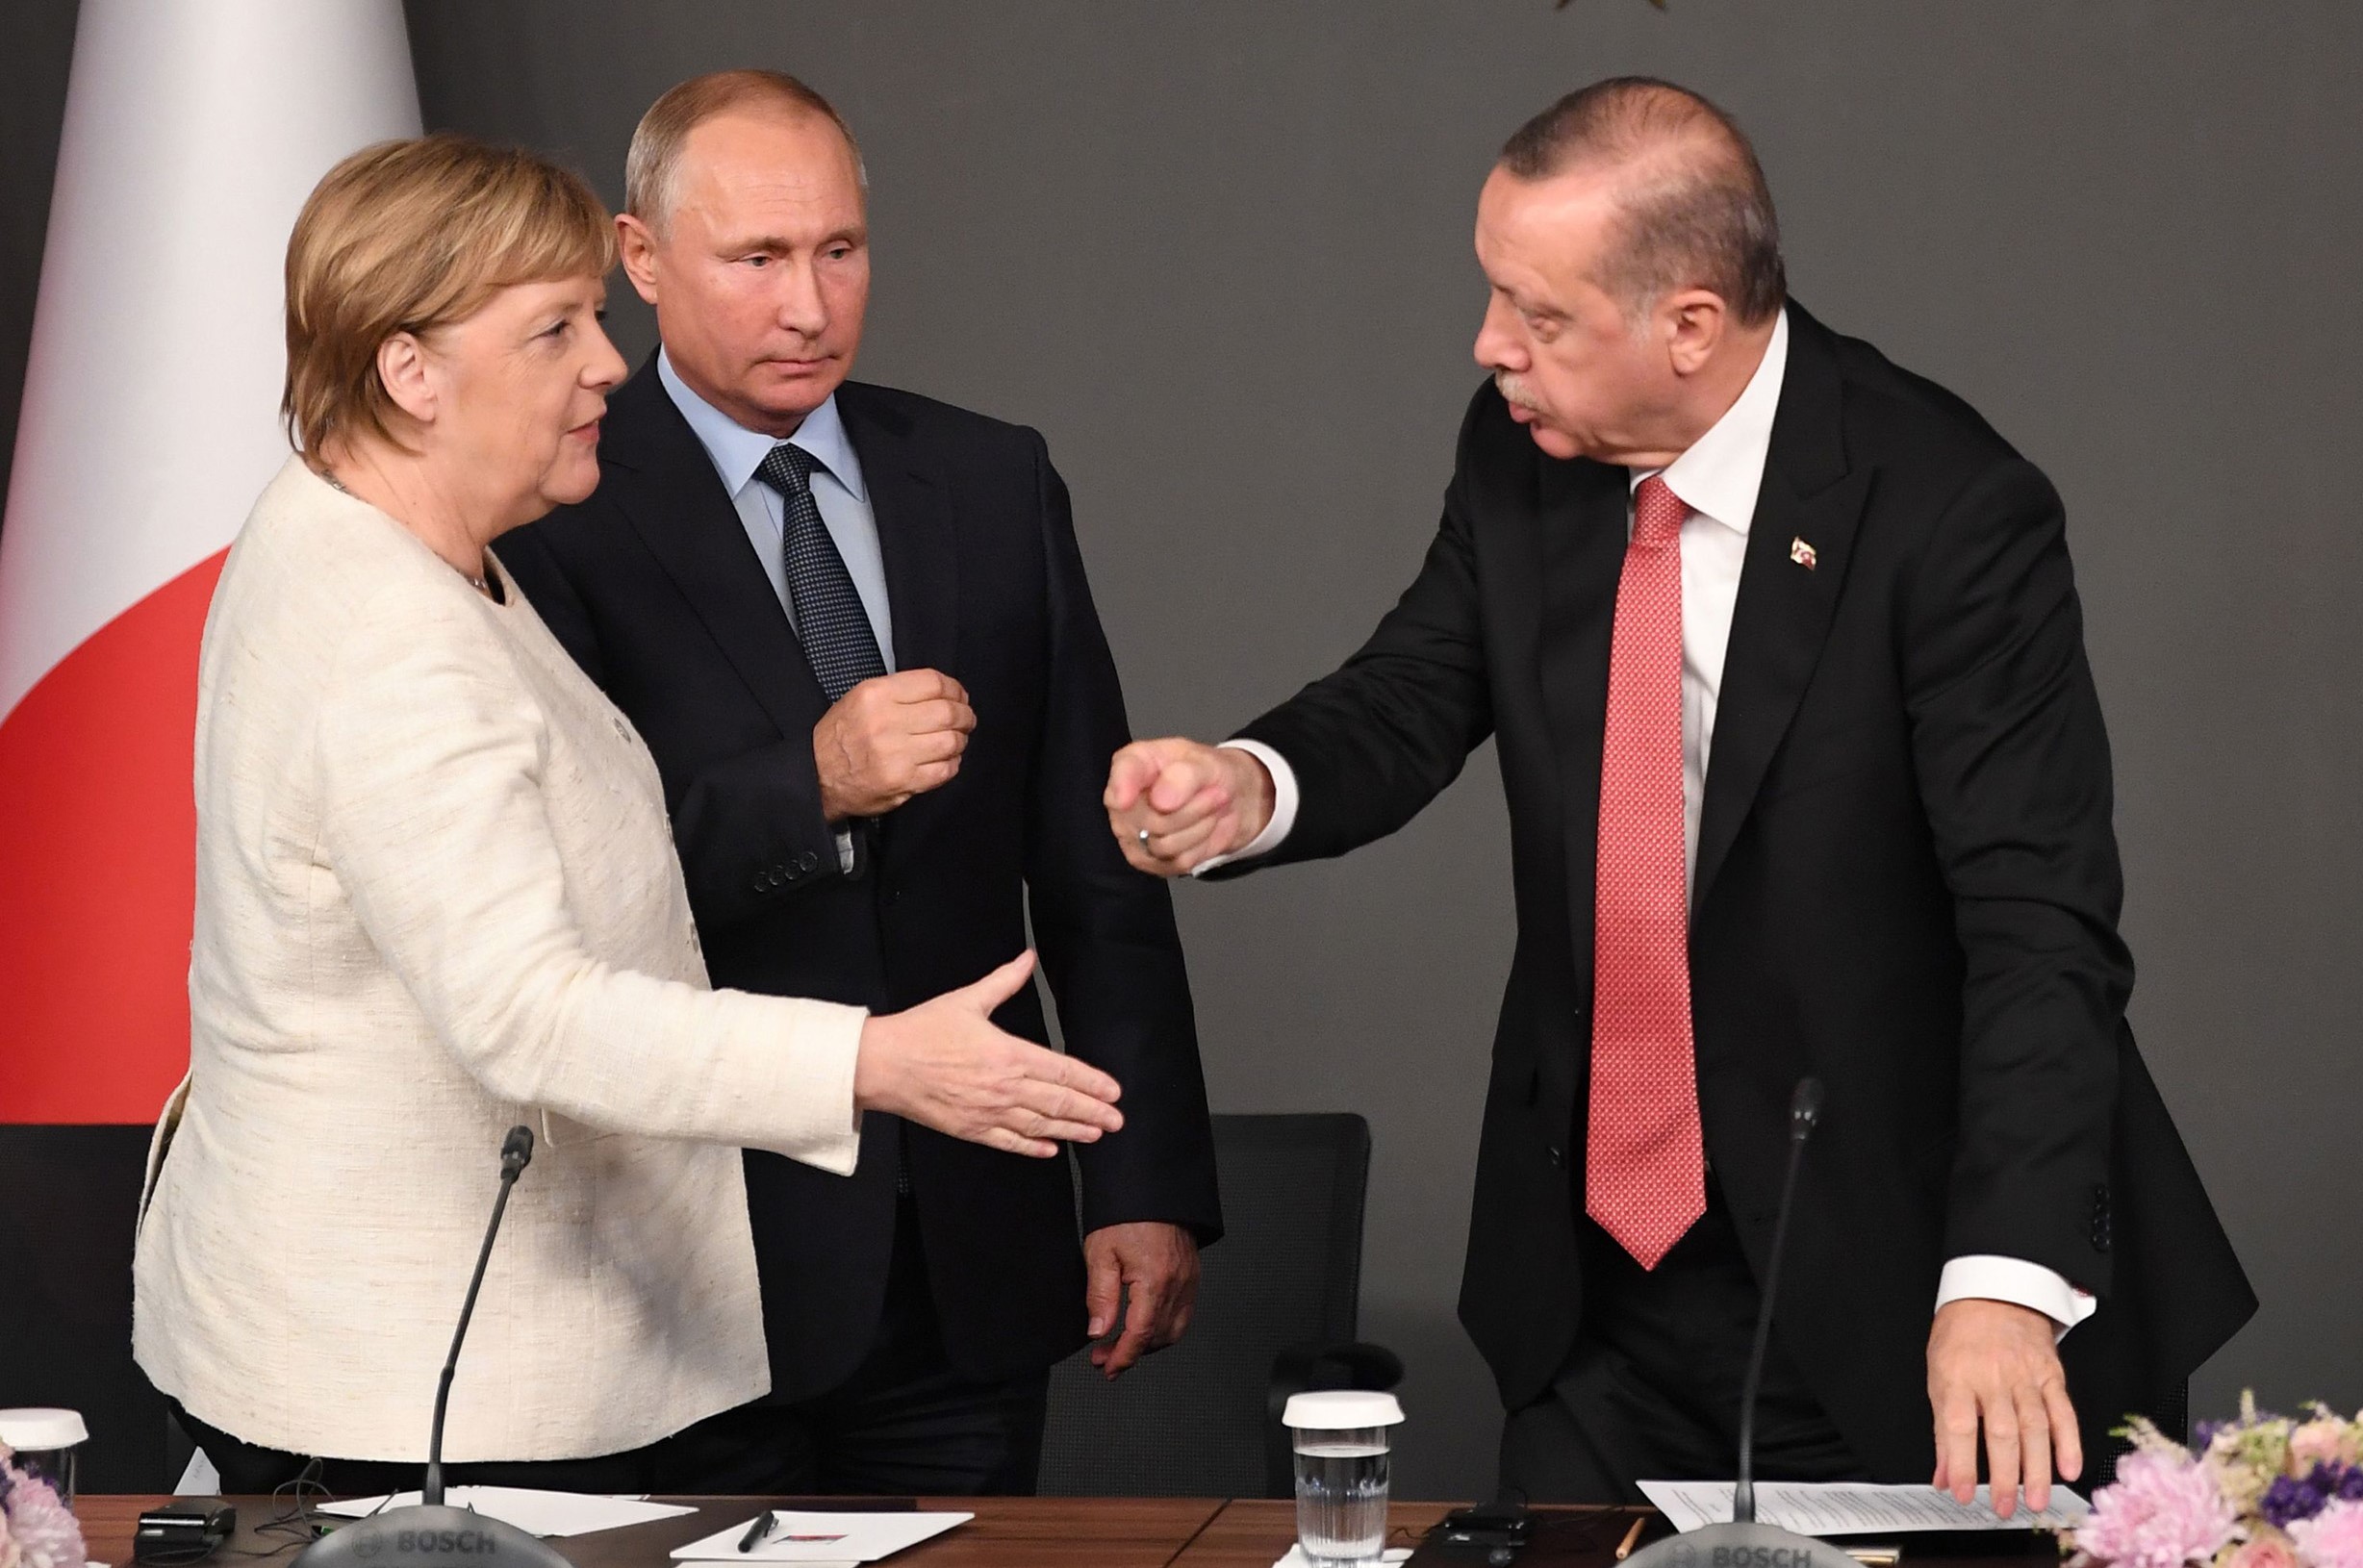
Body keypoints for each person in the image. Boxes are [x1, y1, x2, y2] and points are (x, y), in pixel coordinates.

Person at [1104, 78, 2254, 1506]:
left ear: (1690, 325)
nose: (1489, 346)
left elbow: (2040, 926)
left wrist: (2006, 1285)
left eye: (1537, 314)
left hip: (1893, 1274)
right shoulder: (1519, 452)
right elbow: (1416, 687)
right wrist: (1250, 782)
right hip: (1598, 1292)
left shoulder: (1950, 510)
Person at [132, 134, 1126, 1497]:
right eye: (555, 329)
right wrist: (875, 1062)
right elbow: (529, 1015)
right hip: (421, 1384)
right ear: (411, 373)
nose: (607, 361)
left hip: (444, 1347)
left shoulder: (373, 536)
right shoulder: (388, 633)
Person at [498, 72, 1220, 1496]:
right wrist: (810, 784)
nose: (810, 305)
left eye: (840, 250)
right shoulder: (548, 509)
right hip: (684, 1271)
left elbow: (1096, 870)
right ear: (639, 260)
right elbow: (552, 903)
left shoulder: (989, 477)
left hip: (969, 1269)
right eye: (757, 259)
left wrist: (1144, 1185)